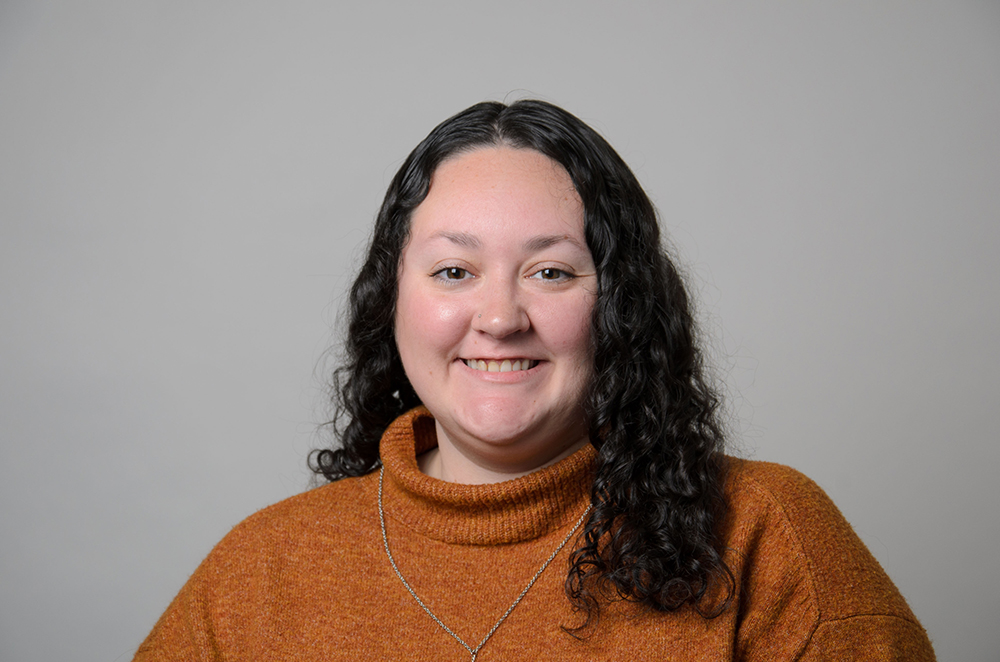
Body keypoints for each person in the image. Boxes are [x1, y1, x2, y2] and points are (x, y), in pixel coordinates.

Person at [134, 100, 936, 661]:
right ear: (394, 301)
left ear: (619, 304)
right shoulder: (257, 571)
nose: (499, 315)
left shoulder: (767, 538)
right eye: (454, 270)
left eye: (551, 271)